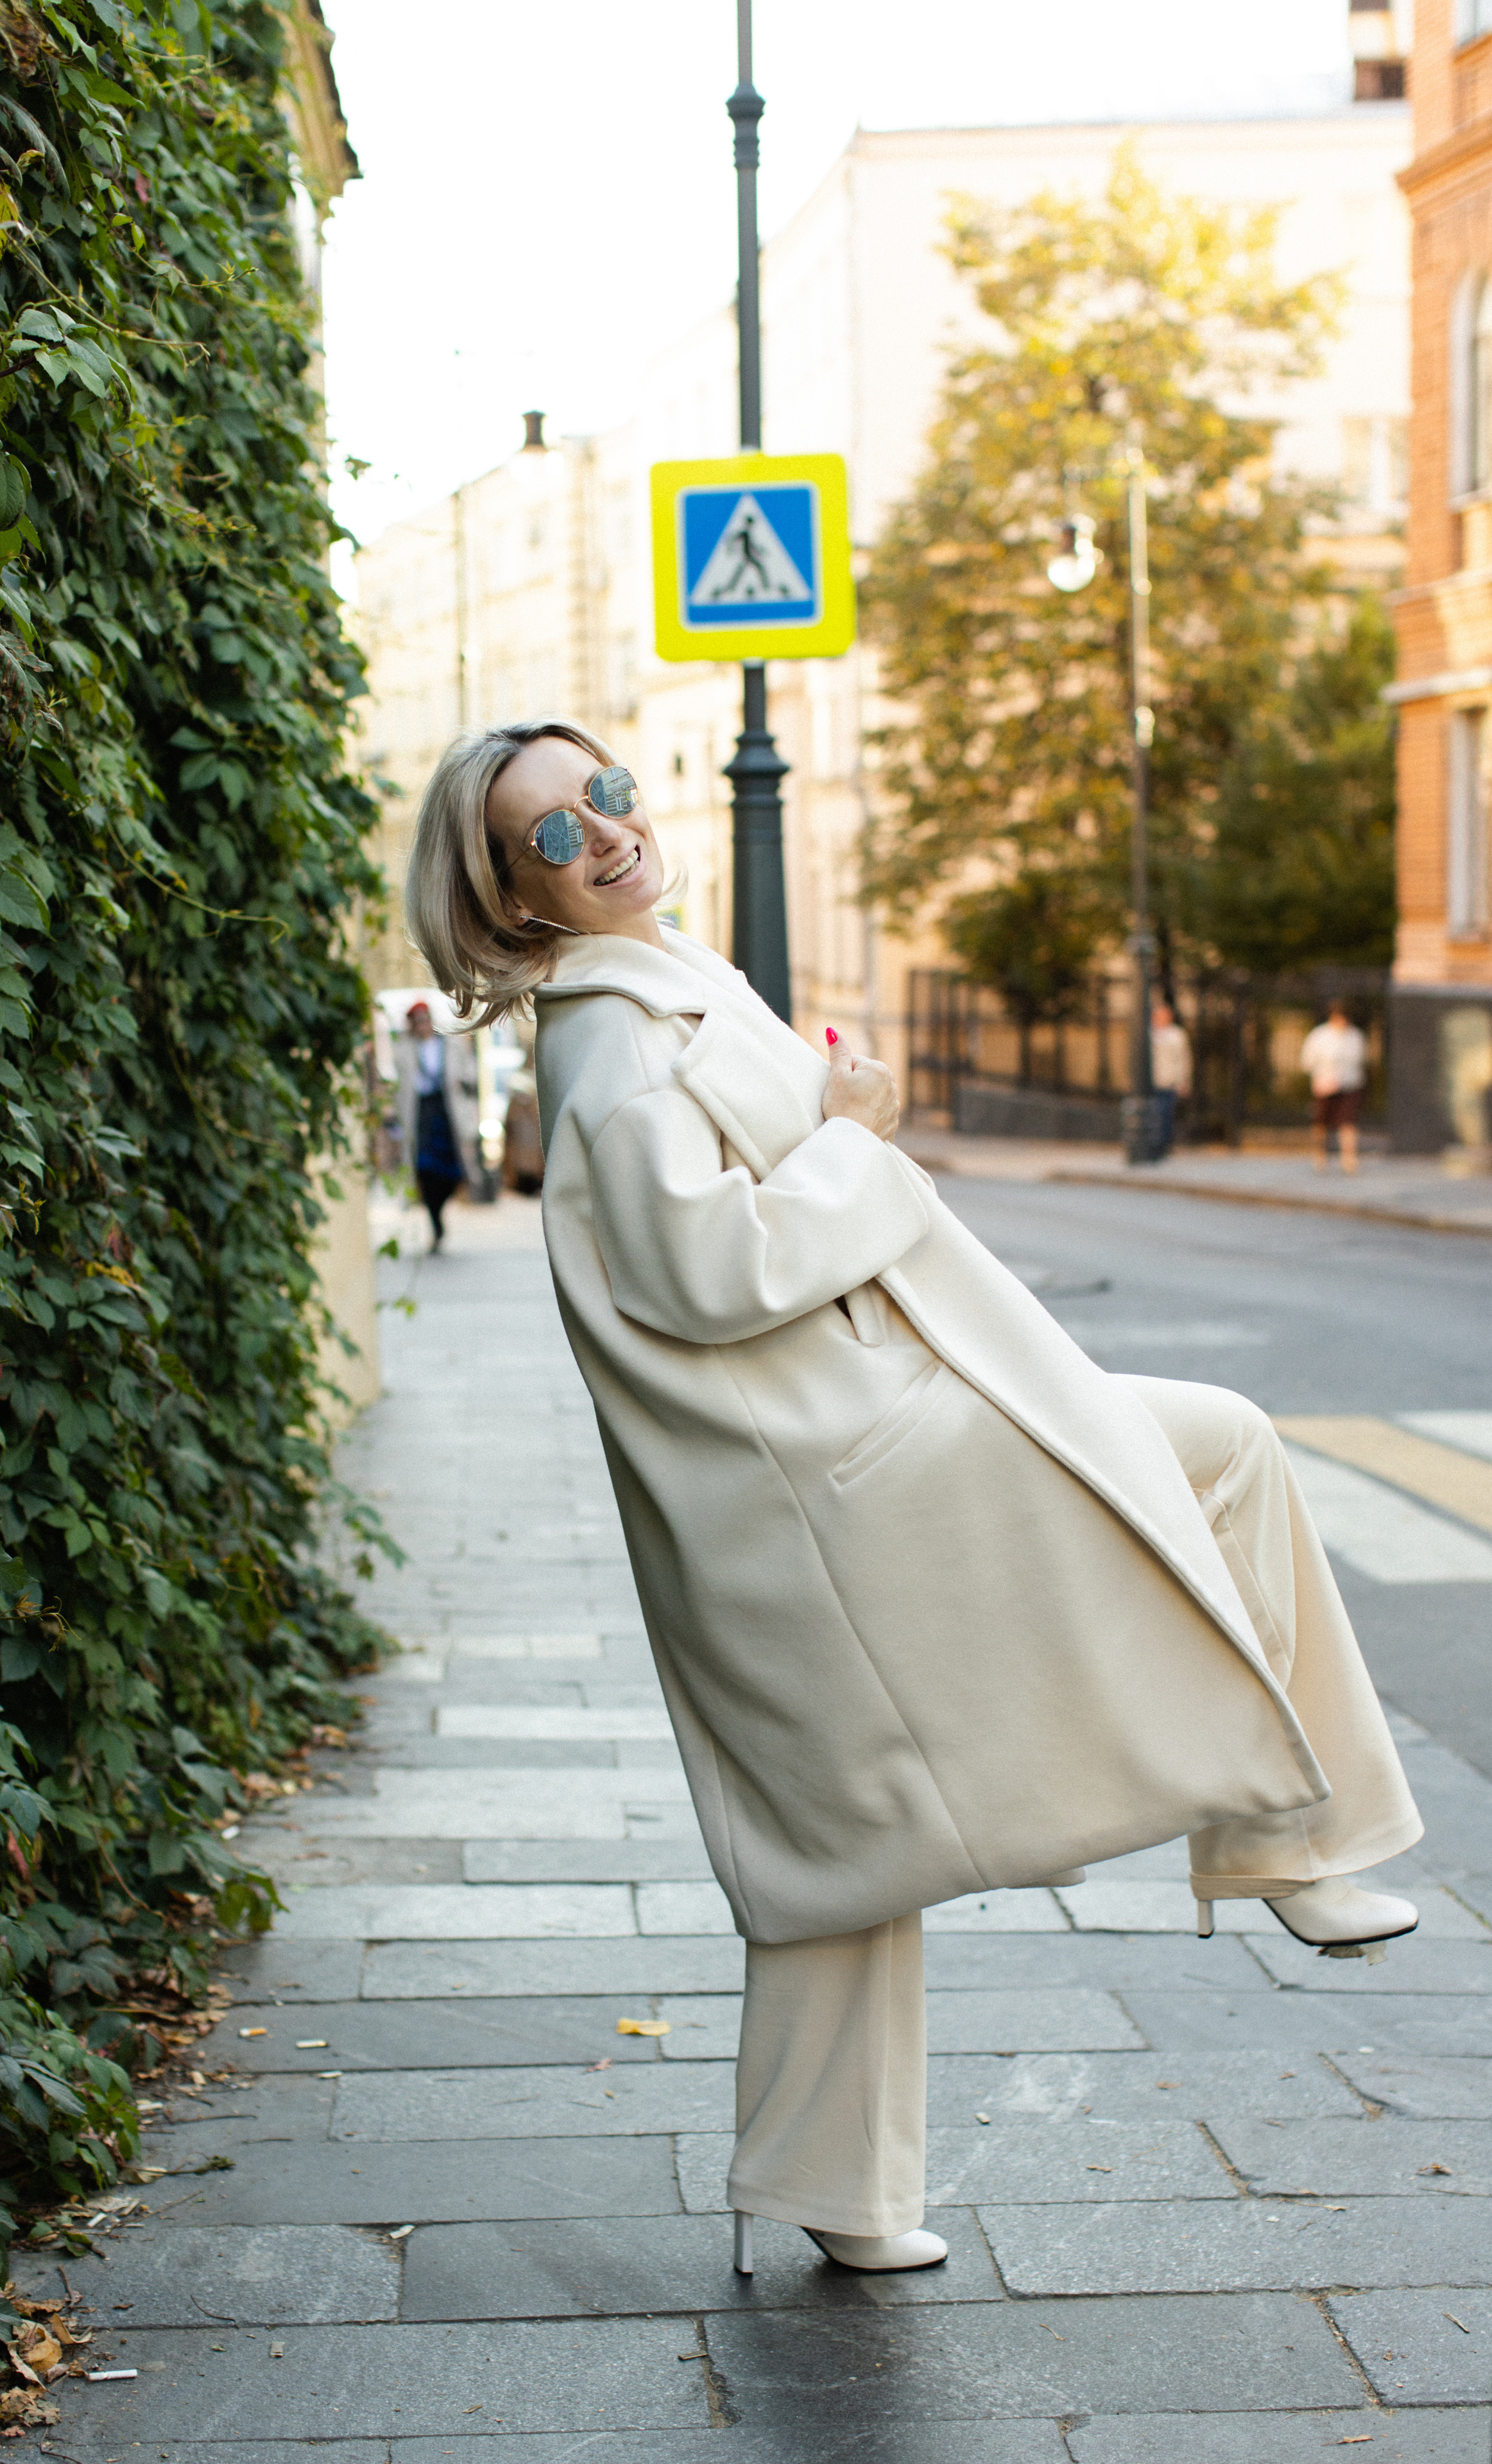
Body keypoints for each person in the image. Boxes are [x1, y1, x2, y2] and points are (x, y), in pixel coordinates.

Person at [405, 718, 1421, 2280]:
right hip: (834, 1457)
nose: (601, 834)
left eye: (603, 792)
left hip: (799, 1468)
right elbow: (712, 1266)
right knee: (1214, 1444)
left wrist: (828, 1132)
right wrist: (855, 1136)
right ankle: (1289, 1838)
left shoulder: (654, 983)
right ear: (512, 895)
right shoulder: (613, 1035)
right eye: (549, 834)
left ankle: (842, 2189)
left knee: (838, 1834)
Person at [393, 998, 479, 1249]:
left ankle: (440, 1211)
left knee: (452, 1171)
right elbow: (398, 1086)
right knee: (426, 1171)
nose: (422, 1026)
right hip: (421, 1116)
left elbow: (468, 1076)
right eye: (416, 1021)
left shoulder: (451, 1044)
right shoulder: (403, 1049)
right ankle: (435, 1221)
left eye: (425, 1019)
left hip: (448, 1112)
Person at [1301, 1001, 1367, 1176]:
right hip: (1324, 1086)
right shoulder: (1320, 1036)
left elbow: (1359, 1060)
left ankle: (1349, 1159)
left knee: (1348, 1122)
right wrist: (1322, 1078)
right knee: (1322, 1124)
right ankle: (1320, 1156)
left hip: (1349, 1086)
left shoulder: (1355, 1037)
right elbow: (1308, 1061)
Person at [1149, 1000, 1192, 1156]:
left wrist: (1184, 1081)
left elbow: (1183, 1059)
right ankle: (1153, 1145)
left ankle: (1164, 1146)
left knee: (1166, 1115)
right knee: (1153, 1115)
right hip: (1152, 1082)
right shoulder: (1149, 1033)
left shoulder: (1177, 1035)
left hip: (1169, 1081)